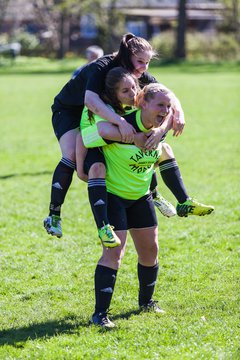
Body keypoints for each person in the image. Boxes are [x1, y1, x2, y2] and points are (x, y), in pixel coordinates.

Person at [43, 33, 186, 239]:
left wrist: (179, 112)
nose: (144, 67)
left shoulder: (133, 73)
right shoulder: (102, 66)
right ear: (127, 55)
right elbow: (91, 101)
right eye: (140, 61)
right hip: (70, 111)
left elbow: (166, 93)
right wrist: (119, 123)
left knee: (139, 139)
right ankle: (54, 215)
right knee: (72, 157)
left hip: (100, 112)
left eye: (147, 62)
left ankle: (153, 194)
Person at [83, 83, 188, 328]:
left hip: (141, 197)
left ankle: (147, 302)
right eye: (160, 105)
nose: (165, 110)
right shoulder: (124, 123)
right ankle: (100, 314)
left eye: (167, 106)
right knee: (114, 254)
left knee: (150, 251)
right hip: (113, 196)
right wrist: (129, 136)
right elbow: (94, 132)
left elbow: (169, 124)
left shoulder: (158, 130)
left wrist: (164, 126)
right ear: (142, 102)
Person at [77, 67, 214, 248]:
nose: (133, 93)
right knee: (97, 169)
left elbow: (167, 107)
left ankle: (179, 200)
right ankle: (101, 225)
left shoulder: (137, 106)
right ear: (114, 93)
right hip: (90, 140)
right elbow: (86, 136)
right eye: (126, 91)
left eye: (134, 88)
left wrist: (160, 130)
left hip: (129, 167)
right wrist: (79, 168)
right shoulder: (105, 109)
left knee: (164, 148)